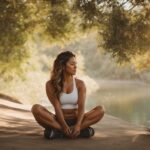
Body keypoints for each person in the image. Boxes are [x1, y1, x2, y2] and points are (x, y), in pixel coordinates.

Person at [31, 51, 105, 139]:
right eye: (72, 64)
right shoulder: (50, 84)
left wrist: (78, 125)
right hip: (58, 121)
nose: (75, 66)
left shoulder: (80, 84)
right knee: (36, 109)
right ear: (63, 65)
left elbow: (81, 107)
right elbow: (57, 107)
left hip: (77, 120)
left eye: (75, 64)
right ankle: (76, 132)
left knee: (101, 110)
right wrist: (64, 126)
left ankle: (63, 132)